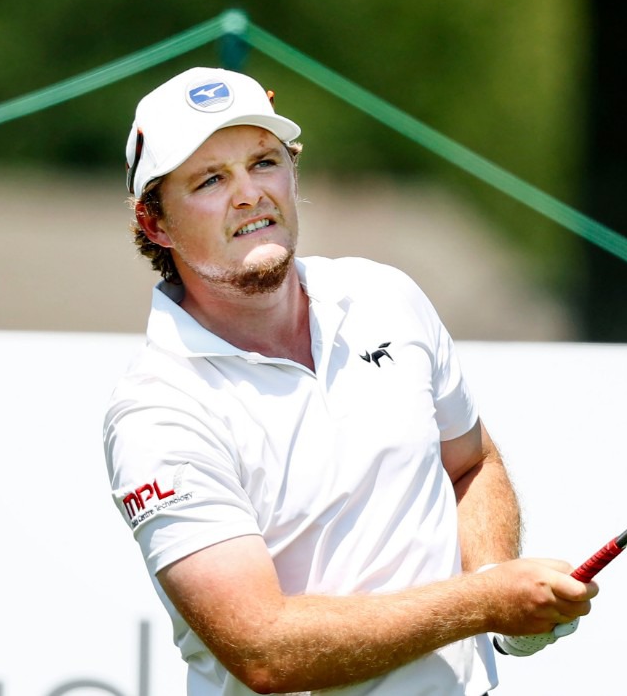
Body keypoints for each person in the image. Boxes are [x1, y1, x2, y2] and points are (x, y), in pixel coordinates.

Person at [103, 67, 597, 696]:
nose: (251, 194)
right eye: (210, 180)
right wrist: (484, 603)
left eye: (264, 161)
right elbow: (264, 649)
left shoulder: (383, 295)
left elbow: (469, 462)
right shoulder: (156, 410)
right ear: (155, 224)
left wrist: (500, 581)